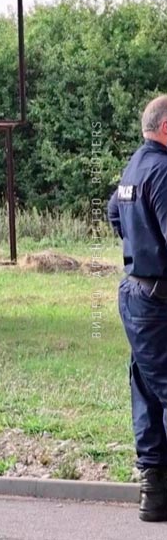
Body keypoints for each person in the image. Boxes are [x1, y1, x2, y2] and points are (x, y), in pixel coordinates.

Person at [108, 93, 167, 522]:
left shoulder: (135, 166)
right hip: (157, 300)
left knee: (146, 390)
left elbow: (115, 214)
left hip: (137, 293)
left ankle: (154, 493)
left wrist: (139, 248)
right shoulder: (163, 171)